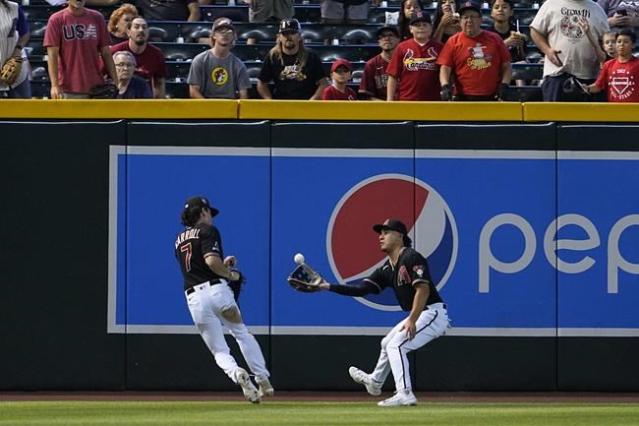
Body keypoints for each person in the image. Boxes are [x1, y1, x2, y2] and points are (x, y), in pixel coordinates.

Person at [313, 218, 449, 407]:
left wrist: (412, 319)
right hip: (420, 314)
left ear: (400, 236)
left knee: (397, 346)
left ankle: (405, 393)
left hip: (432, 313)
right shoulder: (387, 268)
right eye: (380, 233)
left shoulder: (411, 257)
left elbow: (423, 290)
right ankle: (375, 381)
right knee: (387, 343)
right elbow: (360, 289)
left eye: (386, 232)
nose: (381, 236)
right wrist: (326, 287)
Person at [174, 196, 274, 403]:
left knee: (219, 350)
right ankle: (263, 380)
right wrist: (230, 274)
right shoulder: (208, 231)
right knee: (240, 332)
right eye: (209, 212)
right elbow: (211, 261)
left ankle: (237, 373)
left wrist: (223, 266)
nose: (211, 216)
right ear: (202, 211)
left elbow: (200, 265)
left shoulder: (179, 239)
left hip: (195, 298)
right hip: (217, 291)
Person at [530, 0, 609, 101]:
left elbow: (606, 40)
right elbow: (535, 31)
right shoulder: (551, 4)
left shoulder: (597, 9)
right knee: (555, 116)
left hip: (590, 78)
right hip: (557, 75)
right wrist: (547, 50)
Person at [437, 0, 511, 101]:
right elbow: (445, 67)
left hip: (491, 96)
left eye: (473, 16)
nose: (469, 20)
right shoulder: (453, 41)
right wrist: (445, 86)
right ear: (460, 21)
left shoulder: (495, 39)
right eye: (465, 17)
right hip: (463, 97)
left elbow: (506, 65)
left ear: (481, 19)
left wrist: (504, 85)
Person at [43, 0, 117, 99]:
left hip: (96, 87)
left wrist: (115, 80)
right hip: (67, 87)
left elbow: (106, 52)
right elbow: (52, 56)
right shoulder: (56, 19)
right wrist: (55, 85)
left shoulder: (97, 17)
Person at [257, 19, 328, 100]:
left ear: (300, 36)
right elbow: (261, 83)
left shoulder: (311, 56)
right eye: (285, 34)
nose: (288, 37)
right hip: (281, 105)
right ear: (279, 37)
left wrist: (311, 102)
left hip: (305, 104)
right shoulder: (273, 56)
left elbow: (323, 83)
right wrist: (269, 101)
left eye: (292, 33)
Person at [187, 17, 251, 99]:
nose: (225, 34)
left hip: (230, 107)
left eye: (229, 31)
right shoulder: (200, 60)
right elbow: (193, 91)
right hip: (206, 107)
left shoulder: (239, 65)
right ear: (214, 35)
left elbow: (244, 95)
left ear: (233, 36)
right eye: (221, 31)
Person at [387, 11, 442, 101]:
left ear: (431, 28)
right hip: (407, 99)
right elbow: (392, 76)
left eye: (425, 25)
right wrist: (389, 100)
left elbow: (446, 73)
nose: (421, 27)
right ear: (411, 29)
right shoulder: (402, 47)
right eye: (417, 25)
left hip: (433, 100)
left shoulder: (439, 48)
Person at [111, 17, 166, 99]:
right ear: (128, 32)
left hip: (144, 97)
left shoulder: (157, 54)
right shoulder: (114, 51)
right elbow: (101, 76)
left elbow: (159, 83)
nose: (141, 30)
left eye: (144, 27)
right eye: (136, 27)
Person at [587, 29, 639, 102]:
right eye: (619, 41)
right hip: (613, 110)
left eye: (626, 42)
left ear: (633, 45)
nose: (621, 44)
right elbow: (597, 86)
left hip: (633, 111)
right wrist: (584, 88)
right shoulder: (608, 65)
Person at [359, 25, 400, 100]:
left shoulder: (406, 62)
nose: (387, 38)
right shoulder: (372, 64)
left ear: (398, 40)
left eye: (391, 35)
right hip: (382, 107)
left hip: (406, 105)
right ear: (379, 42)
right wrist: (387, 106)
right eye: (383, 36)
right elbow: (367, 96)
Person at [0, 0, 31, 98]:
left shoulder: (14, 7)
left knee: (24, 110)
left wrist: (17, 51)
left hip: (15, 68)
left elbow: (25, 33)